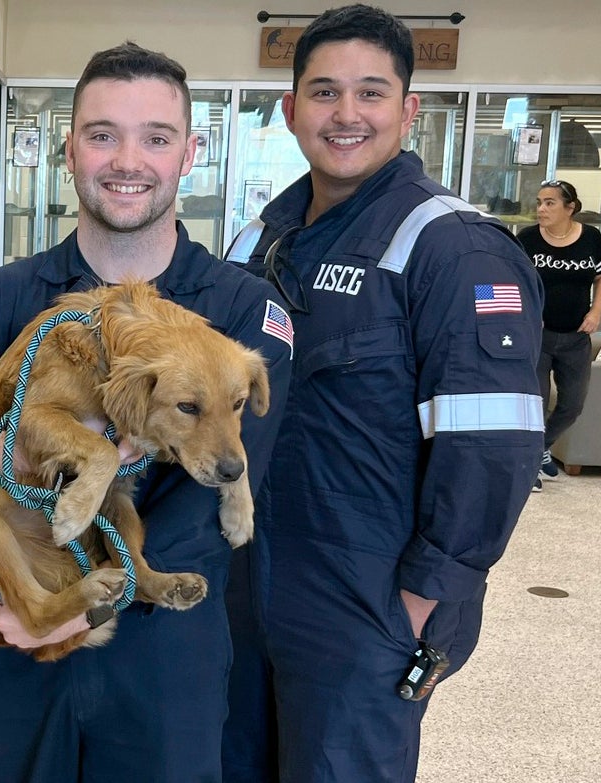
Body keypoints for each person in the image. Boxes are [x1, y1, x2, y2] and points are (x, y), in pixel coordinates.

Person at [0, 43, 293, 783]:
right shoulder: (5, 298)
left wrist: (109, 588)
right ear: (69, 148)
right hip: (15, 640)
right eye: (103, 134)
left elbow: (216, 494)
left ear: (190, 153)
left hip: (165, 656)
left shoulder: (243, 313)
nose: (127, 159)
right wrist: (18, 455)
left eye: (156, 138)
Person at [220, 5, 544, 781]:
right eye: (324, 92)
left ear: (409, 110)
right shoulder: (259, 240)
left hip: (366, 603)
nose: (345, 114)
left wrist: (425, 602)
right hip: (244, 587)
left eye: (371, 92)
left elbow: (492, 449)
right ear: (291, 108)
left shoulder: (451, 247)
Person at [518, 179, 601, 486]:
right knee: (535, 403)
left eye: (550, 203)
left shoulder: (592, 238)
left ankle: (540, 448)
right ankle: (529, 469)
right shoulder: (527, 239)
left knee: (573, 404)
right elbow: (515, 280)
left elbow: (599, 278)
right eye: (539, 202)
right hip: (537, 336)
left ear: (571, 208)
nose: (541, 208)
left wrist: (596, 312)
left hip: (576, 335)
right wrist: (528, 313)